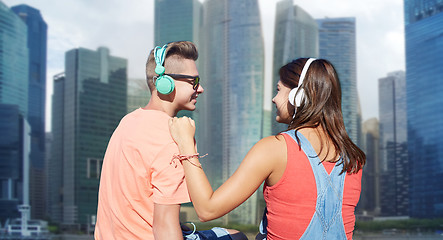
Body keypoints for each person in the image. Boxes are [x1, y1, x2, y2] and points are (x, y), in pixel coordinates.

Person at [169, 58, 366, 240]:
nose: (274, 99)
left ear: (298, 96)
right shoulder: (353, 158)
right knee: (235, 235)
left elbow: (207, 210)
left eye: (279, 90)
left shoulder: (276, 148)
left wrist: (186, 143)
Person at [95, 41, 246, 240]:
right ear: (165, 83)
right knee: (237, 237)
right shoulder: (172, 137)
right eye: (194, 81)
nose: (200, 88)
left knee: (229, 233)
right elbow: (164, 229)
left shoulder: (128, 121)